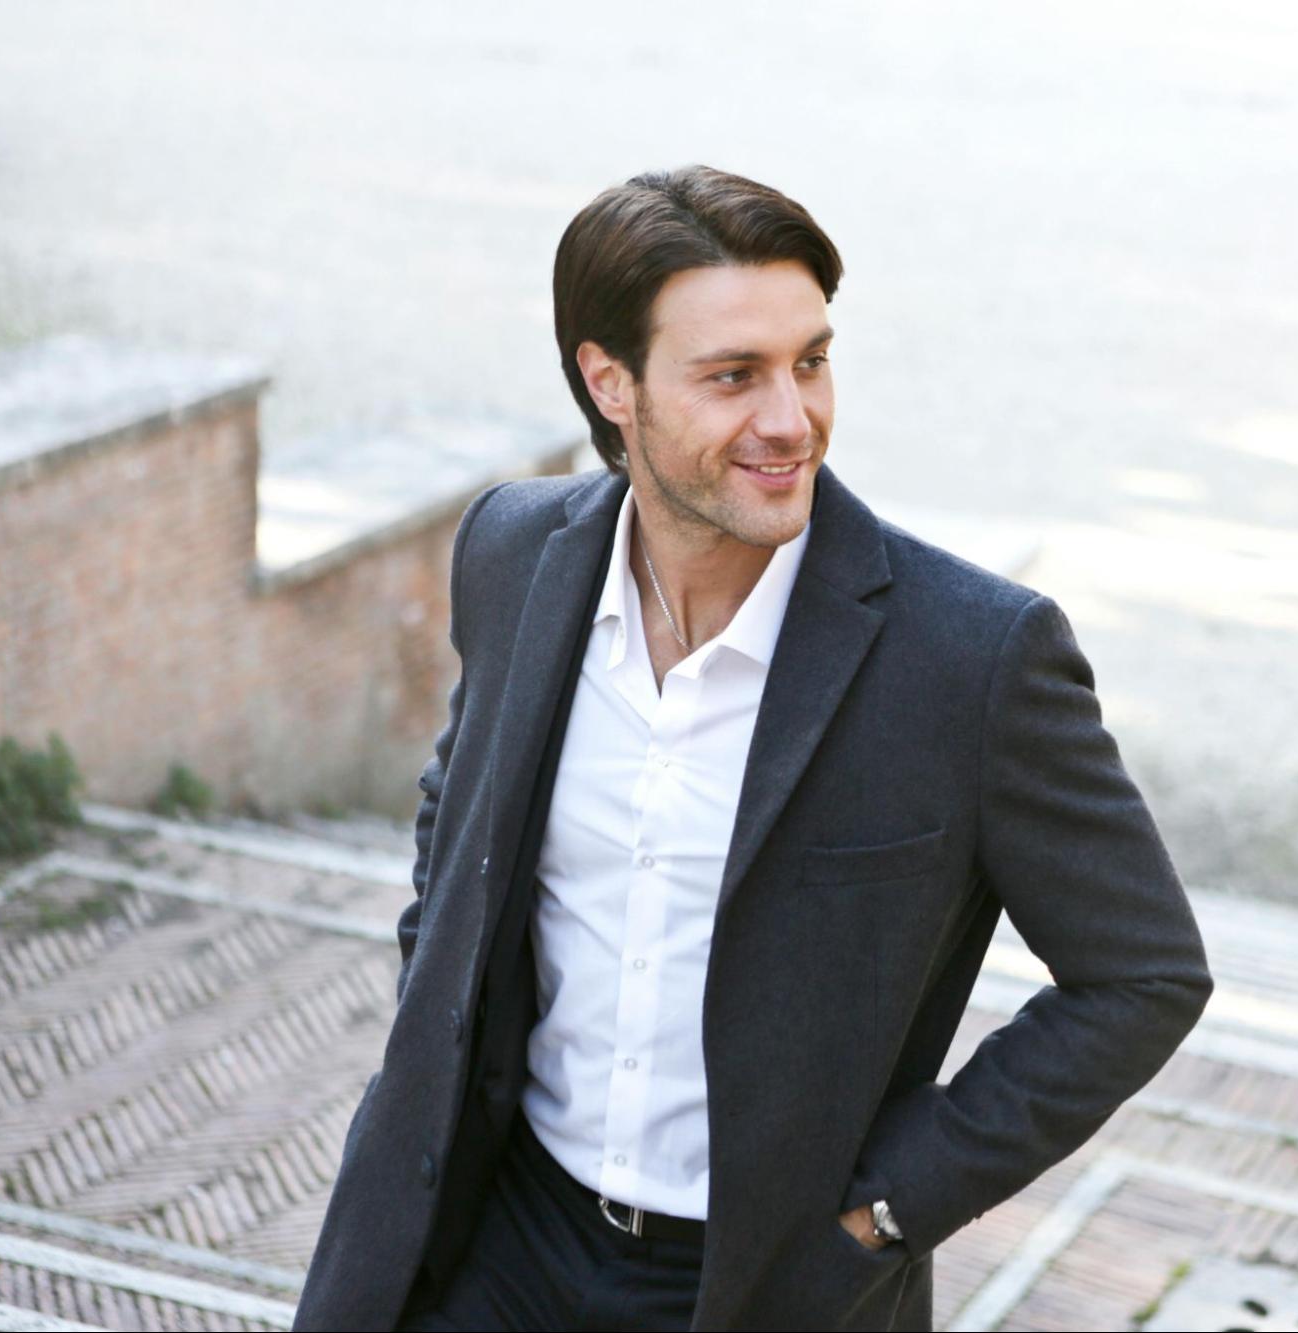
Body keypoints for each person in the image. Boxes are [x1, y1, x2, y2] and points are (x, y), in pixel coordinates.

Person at [291, 164, 1213, 1332]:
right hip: (494, 1238)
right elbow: (457, 808)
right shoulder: (513, 551)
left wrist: (886, 1212)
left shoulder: (971, 658)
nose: (791, 419)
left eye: (810, 361)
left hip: (762, 1286)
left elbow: (1142, 974)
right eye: (734, 376)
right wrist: (440, 1026)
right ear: (609, 381)